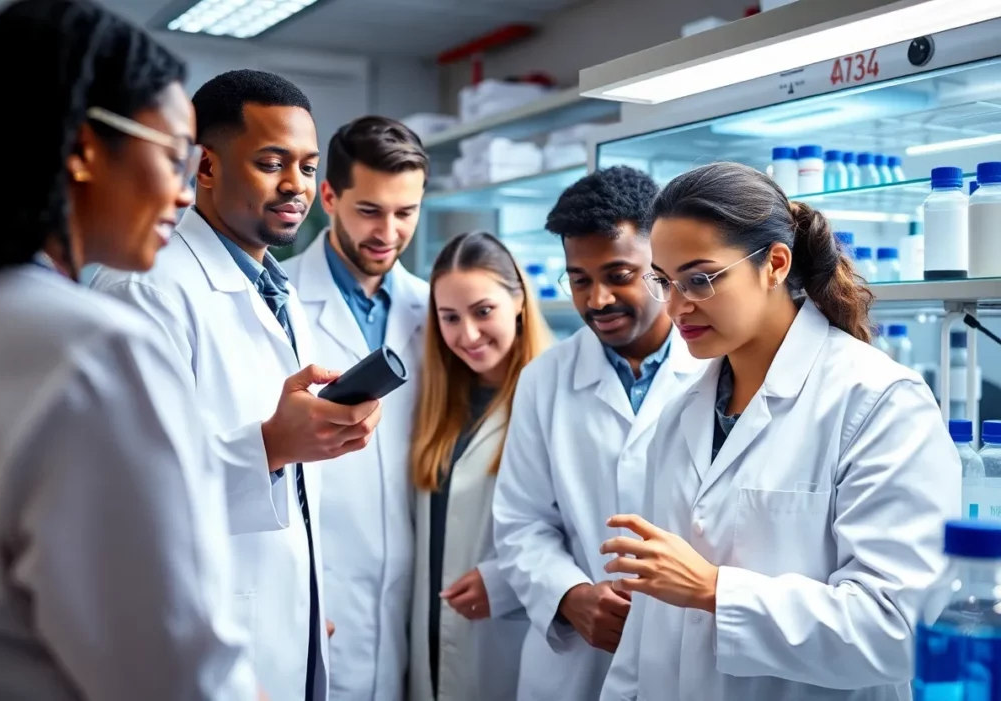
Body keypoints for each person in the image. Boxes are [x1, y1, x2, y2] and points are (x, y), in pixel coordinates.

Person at [0, 1, 264, 699]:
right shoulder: (94, 351)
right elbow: (172, 675)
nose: (184, 194)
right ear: (82, 148)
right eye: (173, 156)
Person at [599, 161, 961, 701]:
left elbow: (897, 628)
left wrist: (714, 591)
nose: (676, 306)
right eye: (664, 281)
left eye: (700, 278)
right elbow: (649, 625)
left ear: (774, 263)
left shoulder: (879, 401)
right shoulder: (680, 412)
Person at [91, 69, 381, 701]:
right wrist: (273, 445)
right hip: (194, 641)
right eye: (271, 163)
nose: (294, 186)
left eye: (306, 167)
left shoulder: (275, 290)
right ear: (205, 167)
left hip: (286, 622)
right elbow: (127, 492)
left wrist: (306, 599)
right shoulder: (149, 290)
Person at [492, 166, 706, 701]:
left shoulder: (717, 368)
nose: (598, 300)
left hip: (691, 649)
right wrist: (570, 595)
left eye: (619, 274)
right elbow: (521, 521)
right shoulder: (544, 378)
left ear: (659, 264)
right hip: (575, 666)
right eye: (580, 278)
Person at [282, 115, 429, 701]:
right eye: (369, 210)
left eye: (405, 213)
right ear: (329, 196)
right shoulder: (280, 300)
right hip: (319, 597)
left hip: (410, 605)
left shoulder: (436, 313)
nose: (388, 232)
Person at [407, 232, 552, 701]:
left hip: (508, 640)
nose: (466, 335)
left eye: (482, 311)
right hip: (428, 638)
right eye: (449, 318)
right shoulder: (439, 403)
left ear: (518, 302)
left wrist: (507, 583)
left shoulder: (554, 397)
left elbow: (582, 533)